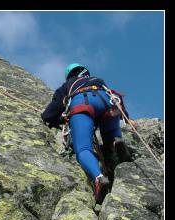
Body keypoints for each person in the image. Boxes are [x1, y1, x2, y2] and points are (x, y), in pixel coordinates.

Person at [41, 63, 136, 203]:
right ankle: (115, 141)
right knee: (109, 128)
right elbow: (115, 97)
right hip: (107, 100)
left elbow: (49, 114)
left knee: (83, 149)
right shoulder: (98, 80)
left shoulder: (68, 85)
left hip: (82, 102)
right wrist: (127, 118)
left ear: (69, 75)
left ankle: (98, 178)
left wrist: (58, 118)